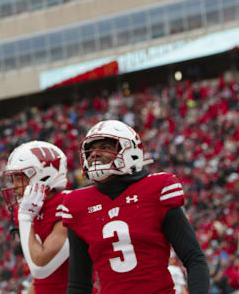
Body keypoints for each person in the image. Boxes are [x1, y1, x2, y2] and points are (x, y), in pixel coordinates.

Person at [58, 120, 210, 293]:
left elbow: (194, 258)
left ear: (130, 151)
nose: (94, 154)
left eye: (105, 147)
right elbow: (79, 284)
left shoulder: (156, 189)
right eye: (90, 150)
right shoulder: (77, 204)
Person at [2, 141, 70, 293]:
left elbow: (41, 266)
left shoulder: (67, 204)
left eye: (20, 178)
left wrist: (25, 217)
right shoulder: (34, 209)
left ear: (43, 176)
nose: (14, 187)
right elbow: (41, 279)